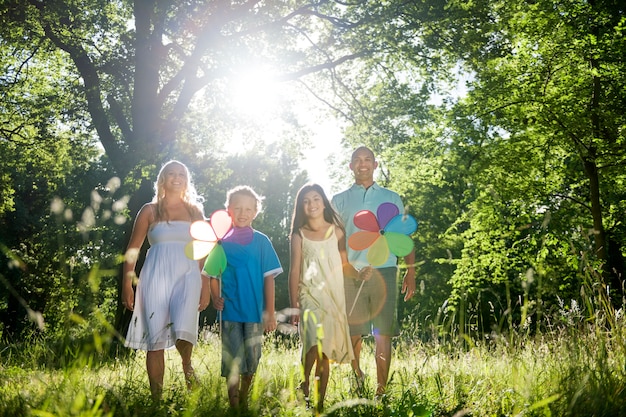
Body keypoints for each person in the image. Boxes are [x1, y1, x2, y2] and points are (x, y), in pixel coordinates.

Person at [122, 160, 210, 401]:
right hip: (155, 276)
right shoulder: (149, 210)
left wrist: (206, 285)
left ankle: (187, 364)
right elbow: (133, 249)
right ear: (163, 179)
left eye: (181, 173)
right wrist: (127, 284)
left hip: (188, 275)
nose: (176, 177)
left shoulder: (195, 212)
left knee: (184, 329)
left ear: (186, 180)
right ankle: (156, 400)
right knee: (156, 339)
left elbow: (202, 250)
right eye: (171, 173)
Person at [331, 146, 416, 397]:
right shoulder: (339, 200)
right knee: (354, 333)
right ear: (350, 166)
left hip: (386, 272)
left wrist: (410, 273)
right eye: (357, 160)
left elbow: (404, 236)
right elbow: (335, 240)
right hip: (351, 274)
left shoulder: (391, 198)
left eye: (367, 159)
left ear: (375, 165)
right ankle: (358, 379)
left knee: (383, 333)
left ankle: (381, 391)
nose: (362, 164)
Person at [206, 185, 283, 409]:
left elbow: (269, 279)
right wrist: (214, 296)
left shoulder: (262, 242)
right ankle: (234, 403)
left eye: (248, 209)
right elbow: (212, 275)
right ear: (228, 210)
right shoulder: (222, 242)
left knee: (252, 358)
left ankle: (245, 395)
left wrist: (270, 313)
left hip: (254, 312)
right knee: (231, 358)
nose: (242, 213)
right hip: (230, 311)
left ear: (255, 212)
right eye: (237, 208)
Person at [288, 183, 358, 412]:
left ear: (323, 202)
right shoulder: (299, 235)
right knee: (313, 343)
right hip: (308, 295)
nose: (312, 204)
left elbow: (345, 263)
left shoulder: (337, 231)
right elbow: (294, 270)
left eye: (316, 199)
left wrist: (360, 274)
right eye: (306, 201)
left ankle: (319, 405)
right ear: (301, 207)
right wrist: (294, 305)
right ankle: (305, 381)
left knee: (325, 351)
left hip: (332, 297)